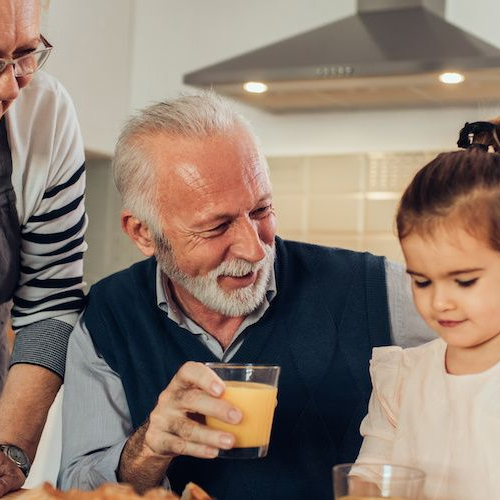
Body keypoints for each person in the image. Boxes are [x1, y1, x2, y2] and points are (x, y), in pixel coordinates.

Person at [58, 91, 433, 500]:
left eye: (261, 211)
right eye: (216, 227)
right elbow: (75, 488)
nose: (255, 250)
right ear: (142, 233)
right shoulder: (107, 317)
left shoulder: (372, 287)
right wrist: (149, 447)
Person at [355, 122, 500, 499]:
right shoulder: (402, 379)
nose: (438, 302)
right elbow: (368, 479)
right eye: (422, 281)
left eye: (464, 281)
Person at [0, 0, 86, 495]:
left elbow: (49, 302)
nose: (11, 84)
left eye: (26, 55)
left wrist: (10, 453)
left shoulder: (44, 114)